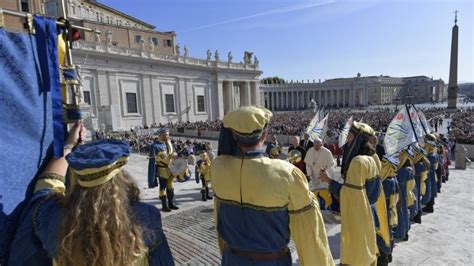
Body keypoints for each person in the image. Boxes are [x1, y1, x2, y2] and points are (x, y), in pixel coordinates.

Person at [8, 122, 174, 266]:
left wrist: (68, 146)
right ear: (122, 178)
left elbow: (46, 185)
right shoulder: (145, 217)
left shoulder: (53, 218)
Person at [211, 106, 334, 266]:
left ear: (234, 135)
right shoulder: (286, 173)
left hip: (232, 259)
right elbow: (310, 233)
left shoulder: (218, 167)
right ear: (264, 135)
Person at [320, 121, 381, 265]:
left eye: (351, 136)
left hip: (359, 212)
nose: (347, 139)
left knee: (357, 250)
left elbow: (351, 195)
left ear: (359, 138)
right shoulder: (374, 157)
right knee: (367, 247)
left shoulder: (358, 162)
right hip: (369, 208)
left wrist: (329, 181)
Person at [147, 128, 179, 212]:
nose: (167, 136)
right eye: (165, 135)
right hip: (162, 169)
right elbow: (153, 158)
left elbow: (174, 153)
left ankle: (171, 203)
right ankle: (164, 205)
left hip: (170, 168)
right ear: (160, 135)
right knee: (163, 187)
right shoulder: (155, 146)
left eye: (168, 135)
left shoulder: (168, 144)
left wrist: (175, 155)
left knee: (170, 186)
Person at [393, 148, 416, 241]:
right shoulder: (410, 168)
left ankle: (401, 233)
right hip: (407, 193)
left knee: (401, 212)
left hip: (401, 193)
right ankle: (406, 230)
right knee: (405, 211)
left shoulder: (403, 171)